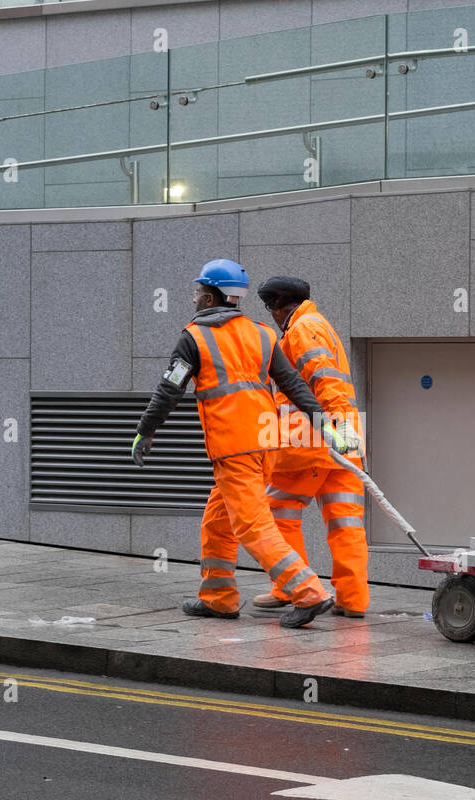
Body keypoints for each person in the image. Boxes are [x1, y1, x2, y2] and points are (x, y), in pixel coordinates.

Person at [131, 259, 357, 629]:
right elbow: (294, 385)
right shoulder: (263, 334)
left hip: (232, 445)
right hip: (265, 443)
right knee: (217, 523)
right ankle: (218, 598)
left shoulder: (194, 336)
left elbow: (169, 389)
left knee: (253, 527)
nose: (193, 300)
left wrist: (145, 430)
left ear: (209, 295)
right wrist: (324, 424)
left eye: (196, 293)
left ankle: (308, 591)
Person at [252, 277, 369, 617]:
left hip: (310, 442)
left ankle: (292, 588)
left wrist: (333, 425)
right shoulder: (322, 325)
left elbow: (323, 378)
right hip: (343, 444)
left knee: (277, 513)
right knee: (345, 522)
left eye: (270, 309)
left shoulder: (302, 329)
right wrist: (345, 430)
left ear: (278, 307)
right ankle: (353, 599)